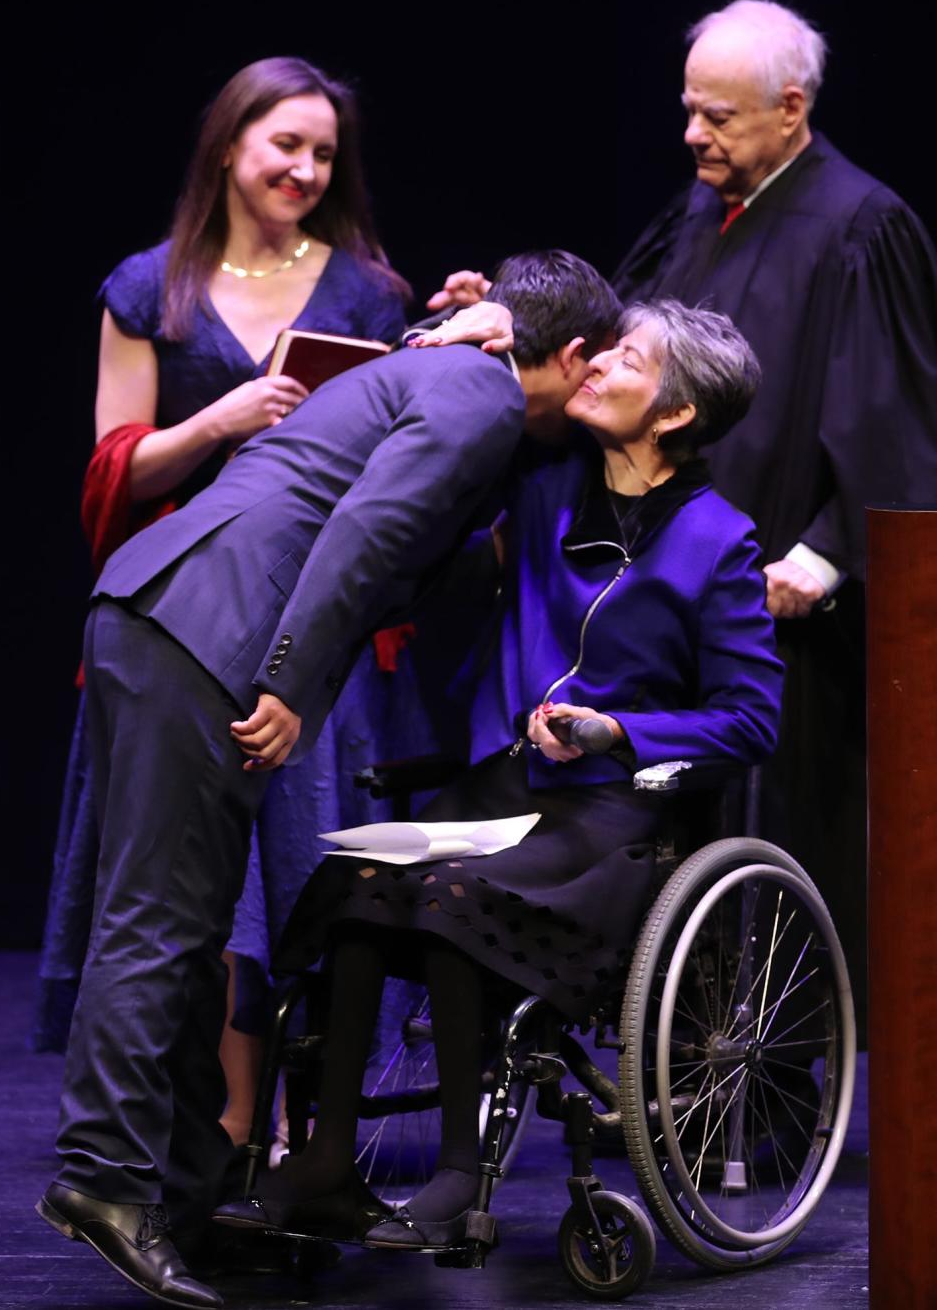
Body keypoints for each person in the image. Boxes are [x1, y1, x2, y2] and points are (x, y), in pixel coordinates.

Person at [35, 250, 622, 1309]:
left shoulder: (444, 374)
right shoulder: (479, 389)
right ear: (572, 357)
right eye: (599, 372)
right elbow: (370, 529)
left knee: (187, 917)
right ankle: (107, 1180)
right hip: (210, 628)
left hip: (167, 611)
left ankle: (190, 1190)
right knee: (160, 920)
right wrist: (293, 678)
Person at [216, 298, 783, 1253]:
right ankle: (324, 1161)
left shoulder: (718, 540)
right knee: (364, 879)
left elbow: (751, 717)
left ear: (676, 413)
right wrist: (483, 320)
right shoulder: (544, 485)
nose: (596, 367)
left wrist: (617, 729)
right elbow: (503, 376)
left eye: (626, 360)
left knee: (446, 892)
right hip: (507, 788)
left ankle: (454, 1173)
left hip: (618, 816)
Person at [429, 0, 937, 1032]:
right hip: (651, 581)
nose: (694, 135)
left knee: (788, 844)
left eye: (720, 117)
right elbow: (608, 346)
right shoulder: (701, 211)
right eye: (689, 111)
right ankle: (654, 1072)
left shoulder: (862, 225)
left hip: (780, 600)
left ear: (791, 109)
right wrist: (510, 321)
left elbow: (896, 416)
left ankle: (772, 1095)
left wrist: (828, 555)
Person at [32, 56, 422, 1142]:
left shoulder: (369, 291)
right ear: (228, 146)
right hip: (189, 621)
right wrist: (224, 420)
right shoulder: (152, 287)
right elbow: (114, 476)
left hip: (316, 621)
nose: (304, 168)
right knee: (199, 897)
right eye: (284, 144)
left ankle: (312, 1135)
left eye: (323, 153)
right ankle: (218, 1134)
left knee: (310, 879)